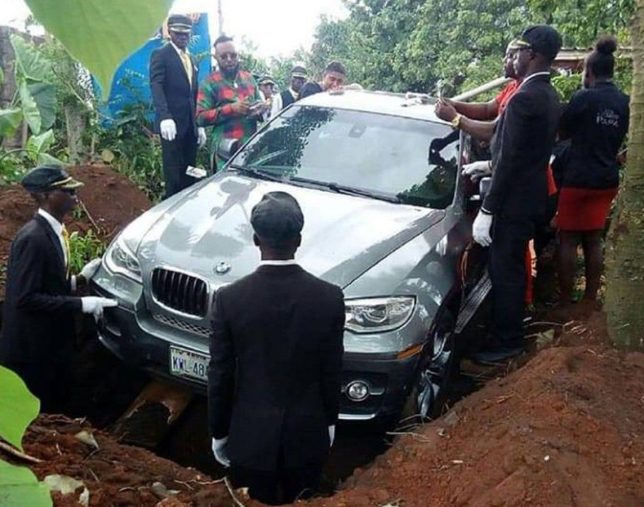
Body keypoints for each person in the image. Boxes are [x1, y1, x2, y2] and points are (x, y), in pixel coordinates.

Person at [208, 192, 345, 505]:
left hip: (249, 440)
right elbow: (331, 369)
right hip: (308, 436)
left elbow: (220, 374)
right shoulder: (329, 298)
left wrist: (219, 431)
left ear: (256, 240)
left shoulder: (230, 299)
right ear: (298, 240)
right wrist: (330, 421)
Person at [471, 25, 562, 364]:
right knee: (511, 269)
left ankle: (506, 342)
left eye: (517, 51)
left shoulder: (525, 98)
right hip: (530, 195)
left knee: (505, 271)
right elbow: (518, 152)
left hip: (515, 200)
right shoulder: (546, 94)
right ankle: (507, 333)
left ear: (533, 54)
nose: (511, 58)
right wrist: (486, 165)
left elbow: (510, 159)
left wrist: (488, 209)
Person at [0, 166, 117, 411]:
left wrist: (79, 280)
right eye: (66, 191)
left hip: (51, 344)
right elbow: (26, 298)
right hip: (33, 350)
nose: (75, 195)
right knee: (41, 410)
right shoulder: (33, 239)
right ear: (44, 196)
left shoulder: (54, 232)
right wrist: (82, 304)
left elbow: (47, 283)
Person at [556, 36, 629, 312]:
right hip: (607, 179)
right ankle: (590, 299)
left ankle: (564, 301)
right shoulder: (625, 101)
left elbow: (563, 132)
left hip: (577, 178)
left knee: (568, 238)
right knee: (593, 238)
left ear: (590, 72)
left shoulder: (583, 98)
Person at [150, 14, 207, 198]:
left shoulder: (192, 60)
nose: (182, 37)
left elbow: (193, 94)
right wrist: (165, 116)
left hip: (190, 124)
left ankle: (188, 203)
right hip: (171, 125)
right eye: (178, 33)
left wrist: (199, 124)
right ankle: (173, 210)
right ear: (170, 33)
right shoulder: (161, 54)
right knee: (173, 171)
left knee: (189, 169)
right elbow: (156, 85)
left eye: (186, 34)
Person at [435, 40, 522, 144]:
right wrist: (454, 104)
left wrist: (455, 118)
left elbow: (493, 132)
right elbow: (487, 109)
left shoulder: (523, 94)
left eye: (510, 56)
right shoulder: (513, 86)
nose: (504, 60)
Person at [196, 35, 262, 170]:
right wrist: (232, 109)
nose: (229, 60)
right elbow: (200, 118)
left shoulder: (249, 79)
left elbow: (259, 106)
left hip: (249, 149)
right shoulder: (209, 82)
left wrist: (260, 110)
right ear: (216, 58)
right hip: (224, 153)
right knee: (225, 189)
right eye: (224, 56)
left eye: (233, 55)